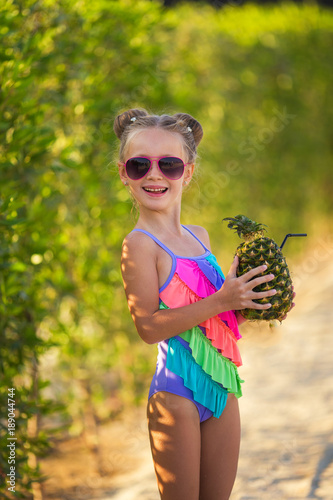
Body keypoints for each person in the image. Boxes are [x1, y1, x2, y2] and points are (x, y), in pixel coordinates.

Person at [114, 108, 282, 500]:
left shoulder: (200, 236)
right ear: (125, 173)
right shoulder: (138, 245)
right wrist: (223, 297)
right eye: (140, 165)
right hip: (175, 395)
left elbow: (212, 314)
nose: (154, 175)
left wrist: (247, 302)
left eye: (168, 164)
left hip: (222, 387)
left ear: (187, 172)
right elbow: (148, 327)